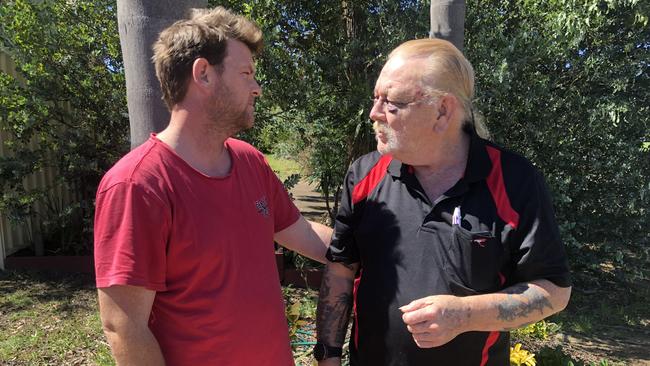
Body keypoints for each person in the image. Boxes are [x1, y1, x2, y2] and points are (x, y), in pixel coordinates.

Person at [94, 7, 332, 366]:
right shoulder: (138, 185)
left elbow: (303, 233)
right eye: (246, 73)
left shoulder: (250, 161)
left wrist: (375, 251)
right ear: (203, 74)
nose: (257, 88)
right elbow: (124, 327)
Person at [315, 38, 571, 366]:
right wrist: (328, 354)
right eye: (376, 98)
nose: (373, 113)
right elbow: (341, 269)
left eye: (392, 102)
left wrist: (463, 315)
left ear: (442, 110)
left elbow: (554, 291)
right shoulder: (364, 175)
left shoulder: (513, 180)